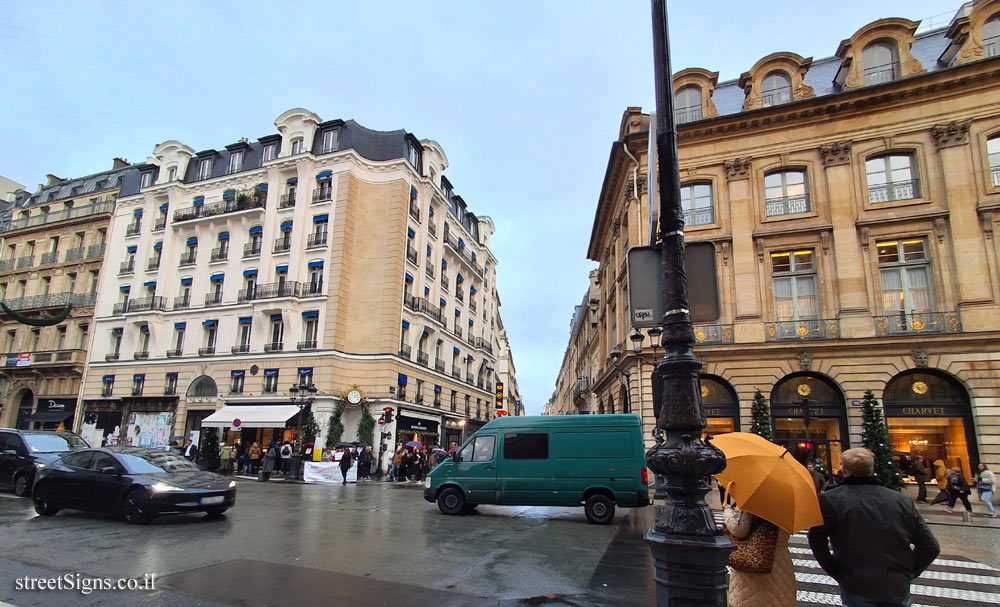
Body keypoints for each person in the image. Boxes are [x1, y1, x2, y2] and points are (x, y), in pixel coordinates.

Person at [808, 448, 939, 607]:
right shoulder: (901, 501)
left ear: (844, 470)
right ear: (872, 468)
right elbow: (930, 546)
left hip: (855, 581)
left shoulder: (830, 500)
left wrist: (836, 571)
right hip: (896, 583)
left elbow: (816, 540)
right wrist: (908, 572)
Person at [723, 504, 795, 607]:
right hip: (780, 557)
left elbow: (739, 530)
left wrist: (728, 512)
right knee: (778, 599)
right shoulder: (787, 502)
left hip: (754, 555)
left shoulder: (755, 501)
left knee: (752, 600)